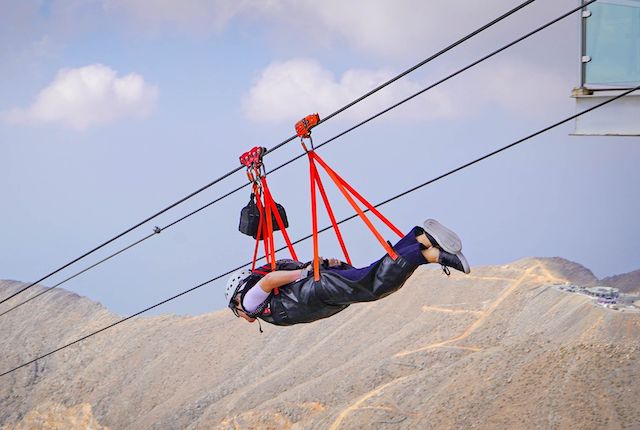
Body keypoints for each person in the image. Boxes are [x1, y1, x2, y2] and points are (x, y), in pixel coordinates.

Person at [225, 219, 470, 327]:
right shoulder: (264, 302)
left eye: (236, 312)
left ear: (237, 300)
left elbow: (269, 280)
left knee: (375, 285)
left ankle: (427, 247)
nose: (242, 317)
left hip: (319, 289)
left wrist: (306, 272)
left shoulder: (249, 302)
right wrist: (315, 268)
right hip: (321, 287)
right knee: (373, 274)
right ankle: (426, 245)